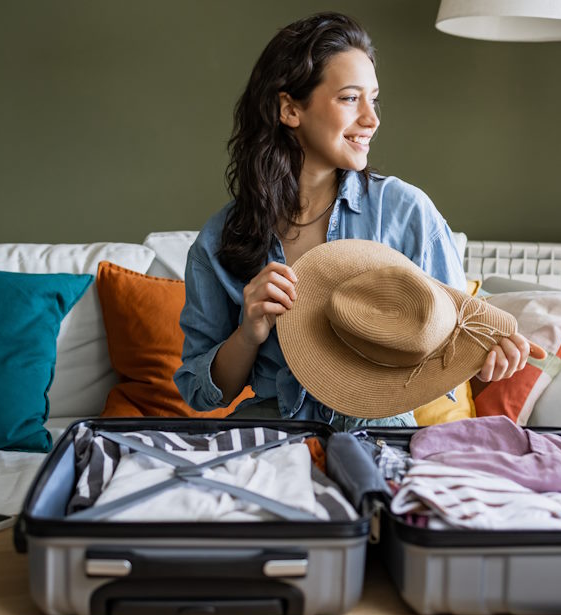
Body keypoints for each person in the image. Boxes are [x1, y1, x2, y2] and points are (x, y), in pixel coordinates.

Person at [174, 12, 530, 430]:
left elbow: (454, 341)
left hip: (380, 439)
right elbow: (201, 394)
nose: (372, 118)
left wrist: (485, 360)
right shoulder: (219, 240)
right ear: (290, 109)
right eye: (349, 98)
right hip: (269, 435)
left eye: (373, 98)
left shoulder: (407, 211)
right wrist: (248, 333)